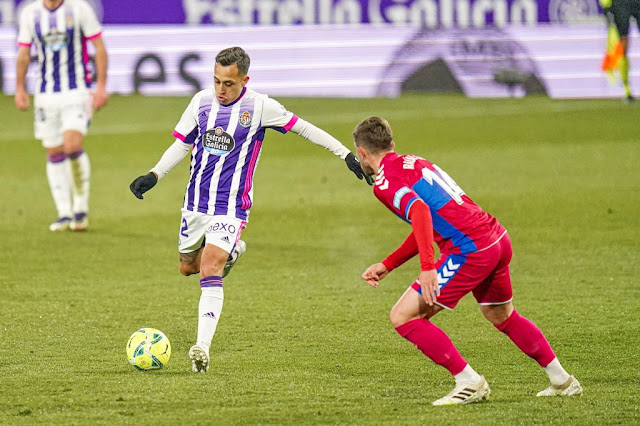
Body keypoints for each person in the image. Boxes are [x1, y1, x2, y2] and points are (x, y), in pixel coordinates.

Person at [129, 46, 372, 373]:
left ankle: (202, 347)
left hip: (231, 205)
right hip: (195, 204)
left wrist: (345, 155)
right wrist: (154, 174)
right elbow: (182, 143)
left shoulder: (260, 106)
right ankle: (232, 253)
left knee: (210, 268)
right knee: (188, 267)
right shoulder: (200, 102)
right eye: (216, 81)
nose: (221, 90)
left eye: (228, 83)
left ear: (244, 79)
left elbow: (305, 128)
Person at [353, 116, 582, 405]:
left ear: (361, 152)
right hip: (496, 238)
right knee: (502, 315)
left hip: (470, 250)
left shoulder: (385, 182)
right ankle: (562, 380)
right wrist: (388, 264)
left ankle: (469, 382)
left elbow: (421, 212)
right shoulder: (414, 161)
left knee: (404, 316)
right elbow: (428, 222)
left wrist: (427, 268)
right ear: (391, 144)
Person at [15, 0, 109, 231]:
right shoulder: (30, 13)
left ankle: (80, 208)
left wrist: (101, 86)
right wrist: (19, 88)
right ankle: (64, 212)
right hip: (45, 94)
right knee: (54, 151)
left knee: (71, 144)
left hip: (76, 90)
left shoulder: (79, 9)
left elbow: (99, 47)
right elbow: (24, 54)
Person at [600, 0, 639, 101]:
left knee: (623, 42)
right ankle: (627, 90)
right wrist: (606, 5)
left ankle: (627, 90)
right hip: (620, 4)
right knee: (623, 44)